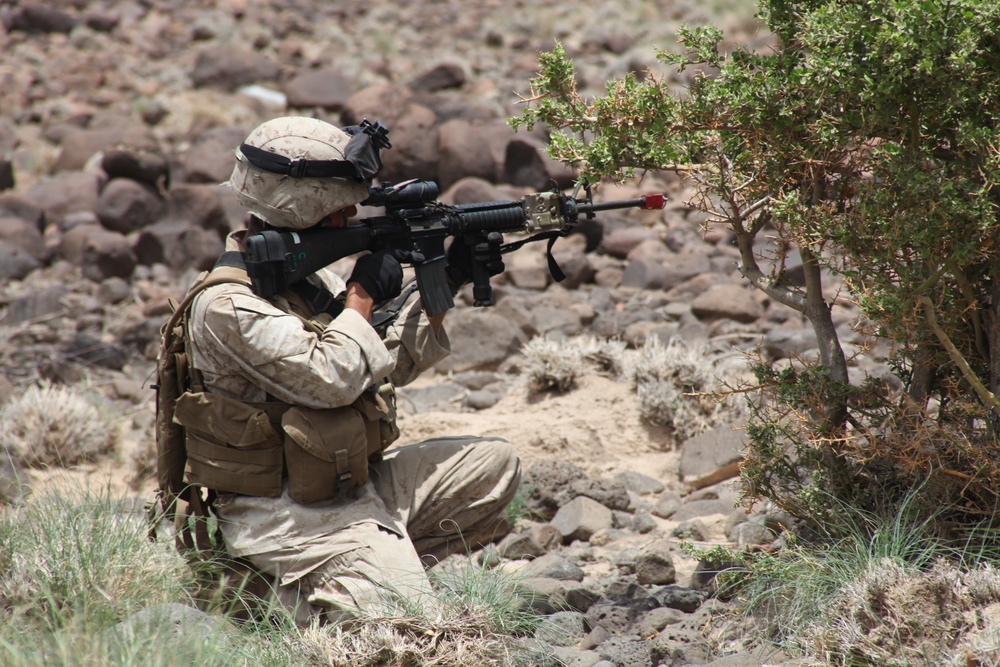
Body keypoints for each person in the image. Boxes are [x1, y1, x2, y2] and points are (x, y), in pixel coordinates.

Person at [177, 116, 521, 623]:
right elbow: (333, 378)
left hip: (349, 482)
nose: (352, 216)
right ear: (304, 205)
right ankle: (276, 595)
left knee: (494, 465)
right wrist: (359, 298)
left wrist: (447, 276)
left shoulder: (306, 278)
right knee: (409, 622)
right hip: (283, 513)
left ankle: (365, 567)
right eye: (341, 208)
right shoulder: (227, 305)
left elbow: (388, 365)